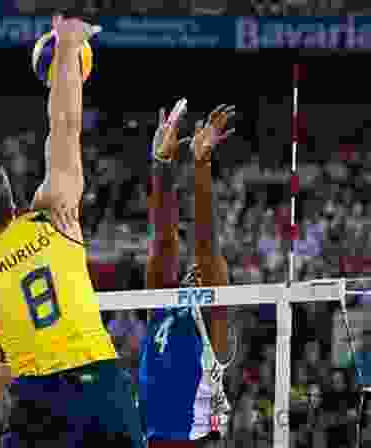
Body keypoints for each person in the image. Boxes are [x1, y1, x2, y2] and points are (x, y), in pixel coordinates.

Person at [0, 13, 142, 448]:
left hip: (39, 403)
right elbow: (65, 125)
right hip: (101, 386)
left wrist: (22, 361)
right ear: (11, 199)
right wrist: (69, 49)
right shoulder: (54, 214)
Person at [139, 101, 235, 446]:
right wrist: (161, 165)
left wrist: (202, 163)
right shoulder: (161, 307)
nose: (195, 269)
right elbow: (164, 240)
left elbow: (207, 244)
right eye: (192, 269)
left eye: (204, 272)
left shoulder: (214, 328)